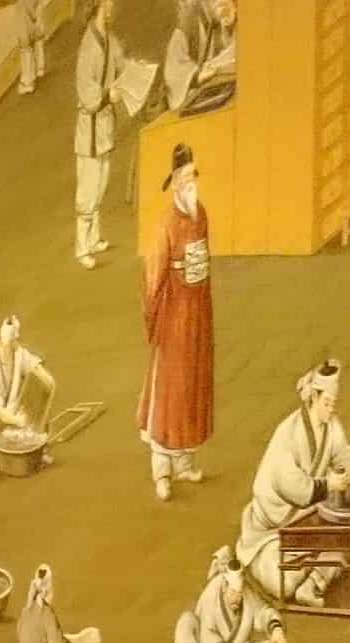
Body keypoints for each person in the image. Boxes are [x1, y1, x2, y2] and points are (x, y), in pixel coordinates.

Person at [235, 360, 350, 605]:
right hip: (273, 529)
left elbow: (343, 453)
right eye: (326, 403)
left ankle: (313, 585)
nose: (331, 409)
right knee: (285, 584)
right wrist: (328, 485)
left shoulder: (331, 426)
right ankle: (294, 571)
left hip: (309, 521)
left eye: (333, 403)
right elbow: (289, 484)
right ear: (313, 398)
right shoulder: (288, 433)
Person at [138, 144, 214, 501]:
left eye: (192, 176)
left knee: (193, 386)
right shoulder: (166, 225)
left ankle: (184, 463)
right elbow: (154, 276)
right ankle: (162, 470)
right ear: (175, 182)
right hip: (174, 318)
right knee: (170, 389)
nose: (190, 183)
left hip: (197, 314)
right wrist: (154, 319)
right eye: (184, 177)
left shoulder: (201, 215)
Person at [73, 0, 128, 270]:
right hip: (91, 129)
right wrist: (107, 96)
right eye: (109, 2)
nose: (113, 5)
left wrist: (133, 71)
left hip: (104, 125)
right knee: (88, 189)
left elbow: (120, 63)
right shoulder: (88, 47)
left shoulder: (109, 38)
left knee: (101, 184)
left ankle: (94, 238)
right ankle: (81, 247)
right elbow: (87, 93)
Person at [0, 315, 56, 482]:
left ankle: (40, 452)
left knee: (34, 408)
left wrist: (45, 376)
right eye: (10, 343)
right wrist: (16, 420)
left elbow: (30, 361)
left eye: (13, 342)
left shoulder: (17, 352)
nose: (13, 345)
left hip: (12, 400)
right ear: (3, 343)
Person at [162, 0, 238, 112]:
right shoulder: (186, 25)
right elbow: (173, 72)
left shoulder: (222, 16)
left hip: (222, 88)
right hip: (194, 98)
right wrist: (196, 76)